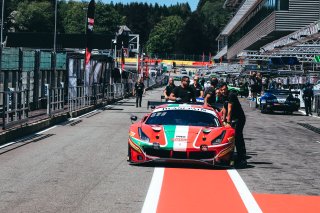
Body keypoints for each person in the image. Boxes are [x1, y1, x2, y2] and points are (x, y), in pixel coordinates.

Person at [220, 82, 247, 168]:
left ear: (227, 88)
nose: (224, 91)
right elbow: (224, 108)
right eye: (222, 90)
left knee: (238, 137)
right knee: (230, 138)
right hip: (232, 119)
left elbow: (230, 109)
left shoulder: (231, 95)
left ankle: (242, 159)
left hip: (239, 118)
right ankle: (230, 158)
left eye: (225, 89)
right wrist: (222, 120)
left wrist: (227, 122)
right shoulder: (223, 96)